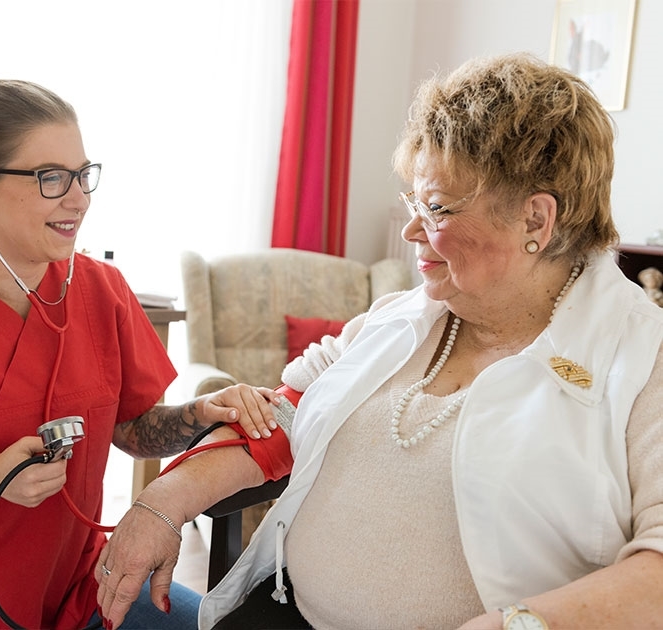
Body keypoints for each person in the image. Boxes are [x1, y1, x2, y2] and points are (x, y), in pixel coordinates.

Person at [95, 52, 663, 630]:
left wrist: (516, 625)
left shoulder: (643, 360)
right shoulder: (399, 318)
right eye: (414, 202)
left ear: (535, 222)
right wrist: (159, 505)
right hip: (287, 613)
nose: (412, 229)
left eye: (437, 208)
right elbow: (281, 416)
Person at [0, 79, 281, 629]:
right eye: (51, 178)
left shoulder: (101, 290)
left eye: (83, 175)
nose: (79, 198)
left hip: (82, 592)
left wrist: (198, 416)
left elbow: (131, 430)